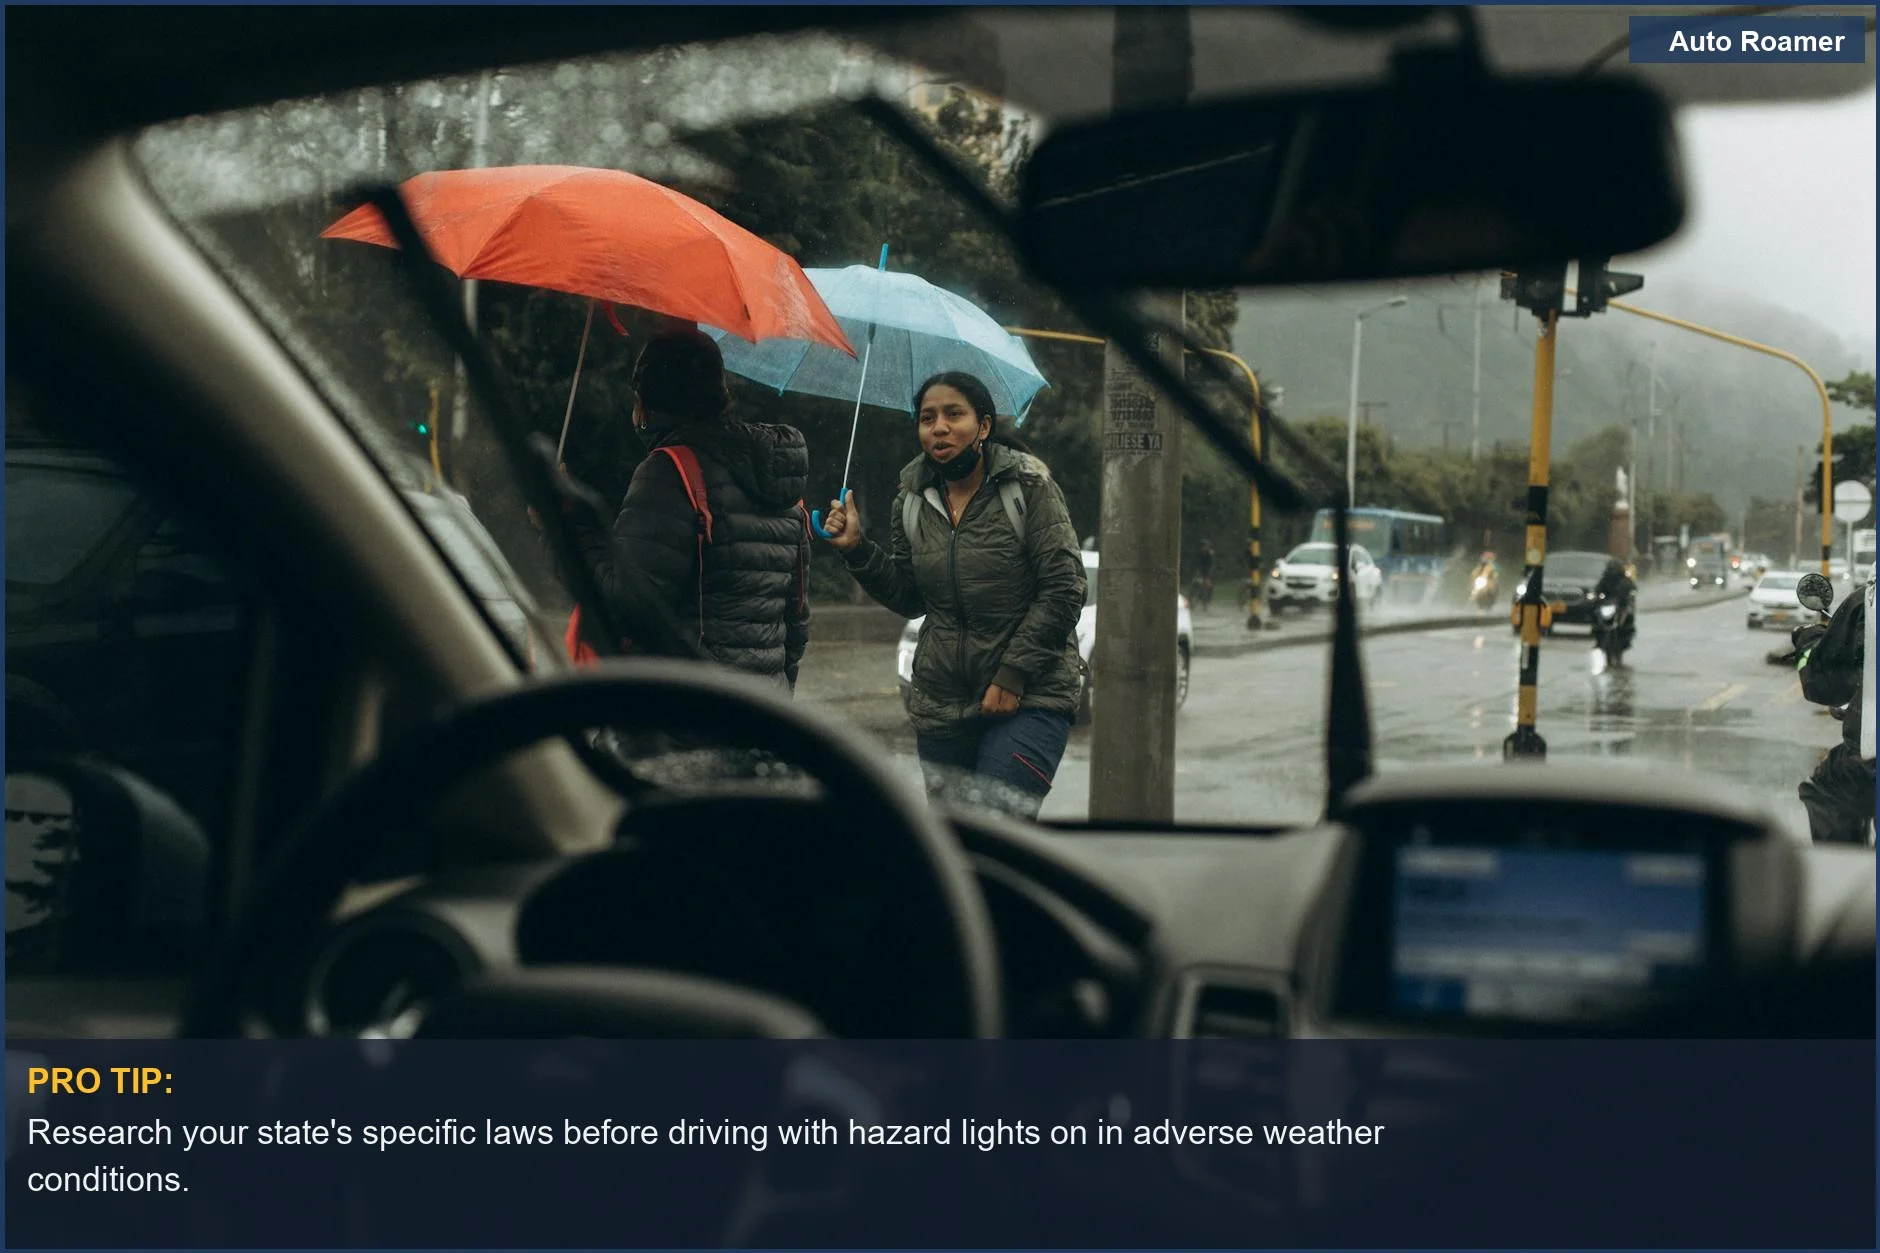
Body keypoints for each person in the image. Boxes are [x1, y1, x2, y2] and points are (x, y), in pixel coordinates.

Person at [818, 371, 1086, 818]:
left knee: (997, 829)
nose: (938, 427)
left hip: (1030, 698)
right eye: (927, 418)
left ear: (983, 426)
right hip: (942, 706)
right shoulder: (912, 496)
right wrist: (857, 550)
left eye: (953, 414)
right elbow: (911, 597)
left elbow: (1064, 588)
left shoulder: (1028, 487)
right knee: (955, 841)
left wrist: (1012, 676)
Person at [553, 329, 812, 691]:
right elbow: (796, 623)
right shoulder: (780, 482)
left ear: (649, 399)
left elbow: (627, 606)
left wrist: (565, 525)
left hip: (689, 723)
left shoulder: (669, 471)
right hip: (763, 721)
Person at [1797, 576, 1874, 844]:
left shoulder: (1868, 600)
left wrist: (1808, 645)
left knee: (1823, 792)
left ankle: (1847, 874)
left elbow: (1822, 685)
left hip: (1868, 766)